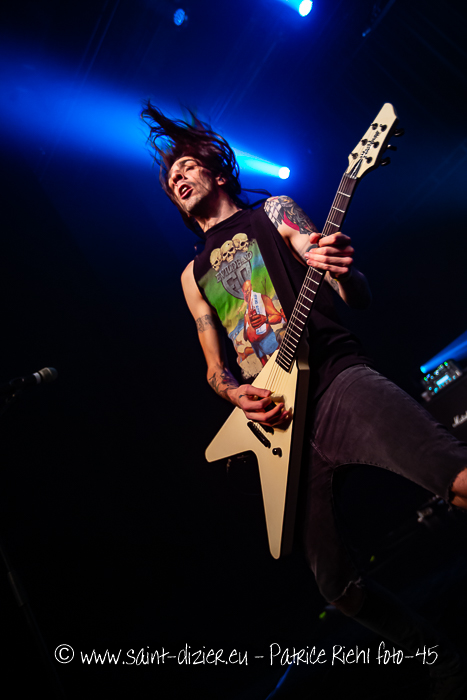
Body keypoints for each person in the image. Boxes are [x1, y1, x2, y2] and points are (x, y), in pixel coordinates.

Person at [141, 102, 467, 698]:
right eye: (170, 179)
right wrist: (235, 393)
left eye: (186, 167)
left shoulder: (274, 212)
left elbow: (350, 288)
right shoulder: (191, 275)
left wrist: (344, 270)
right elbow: (214, 366)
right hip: (281, 429)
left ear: (218, 171)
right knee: (337, 589)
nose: (177, 179)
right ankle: (439, 657)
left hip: (336, 380)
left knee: (460, 480)